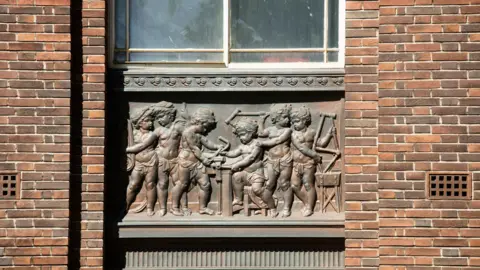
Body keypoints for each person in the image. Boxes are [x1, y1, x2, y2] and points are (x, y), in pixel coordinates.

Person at [170, 108, 224, 216]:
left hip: (197, 164)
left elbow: (207, 142)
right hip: (186, 163)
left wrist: (218, 146)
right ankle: (174, 207)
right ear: (199, 122)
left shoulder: (198, 134)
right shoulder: (188, 132)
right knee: (182, 184)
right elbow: (194, 148)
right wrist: (204, 159)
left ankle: (202, 207)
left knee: (205, 184)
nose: (205, 130)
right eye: (204, 127)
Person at [222, 117, 279, 218]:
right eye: (240, 135)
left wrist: (237, 164)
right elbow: (234, 153)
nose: (241, 138)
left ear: (251, 132)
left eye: (243, 134)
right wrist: (225, 153)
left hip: (257, 173)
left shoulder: (257, 144)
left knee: (257, 189)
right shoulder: (242, 146)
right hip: (245, 172)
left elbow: (251, 158)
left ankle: (272, 207)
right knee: (236, 176)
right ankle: (238, 200)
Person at [258, 104, 293, 217]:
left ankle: (287, 208)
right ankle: (272, 208)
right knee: (269, 184)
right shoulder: (270, 129)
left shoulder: (287, 130)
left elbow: (278, 140)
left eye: (288, 117)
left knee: (285, 184)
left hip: (285, 160)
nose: (287, 120)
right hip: (271, 161)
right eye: (284, 117)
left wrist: (263, 143)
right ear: (276, 119)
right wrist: (261, 121)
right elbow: (261, 133)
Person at [125, 106, 158, 216]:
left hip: (151, 162)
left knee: (150, 184)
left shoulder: (152, 134)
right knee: (133, 185)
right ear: (140, 123)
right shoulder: (133, 134)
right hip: (138, 163)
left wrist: (126, 150)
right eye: (147, 121)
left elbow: (141, 146)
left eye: (152, 121)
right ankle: (125, 206)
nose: (151, 123)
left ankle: (150, 208)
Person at [290, 106, 322, 217]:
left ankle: (309, 208)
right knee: (294, 186)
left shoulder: (312, 132)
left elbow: (321, 143)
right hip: (295, 164)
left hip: (308, 164)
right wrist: (314, 155)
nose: (295, 124)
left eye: (297, 121)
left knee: (308, 184)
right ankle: (307, 203)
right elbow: (301, 148)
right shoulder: (292, 134)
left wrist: (329, 134)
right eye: (293, 122)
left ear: (305, 120)